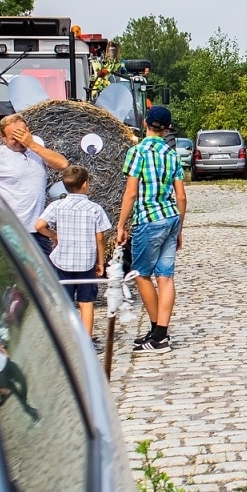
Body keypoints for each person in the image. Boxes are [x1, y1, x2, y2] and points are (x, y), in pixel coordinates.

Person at [117, 105, 187, 353]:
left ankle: (158, 334)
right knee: (165, 277)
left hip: (147, 219)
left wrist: (121, 224)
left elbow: (131, 192)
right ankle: (160, 332)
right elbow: (181, 196)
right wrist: (179, 227)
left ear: (145, 123)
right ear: (167, 128)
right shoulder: (173, 155)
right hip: (170, 218)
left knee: (141, 274)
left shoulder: (137, 152)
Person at [0, 113, 69, 251]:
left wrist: (31, 144)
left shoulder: (37, 152)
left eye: (22, 134)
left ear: (28, 132)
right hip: (10, 231)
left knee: (46, 271)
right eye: (14, 137)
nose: (20, 140)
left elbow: (63, 164)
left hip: (37, 231)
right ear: (3, 139)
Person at [36, 166, 111, 337]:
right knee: (86, 302)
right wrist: (100, 262)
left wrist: (54, 235)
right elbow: (100, 238)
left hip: (62, 262)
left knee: (65, 303)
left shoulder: (57, 206)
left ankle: (68, 340)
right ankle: (87, 340)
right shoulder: (94, 208)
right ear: (85, 184)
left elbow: (39, 226)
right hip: (86, 262)